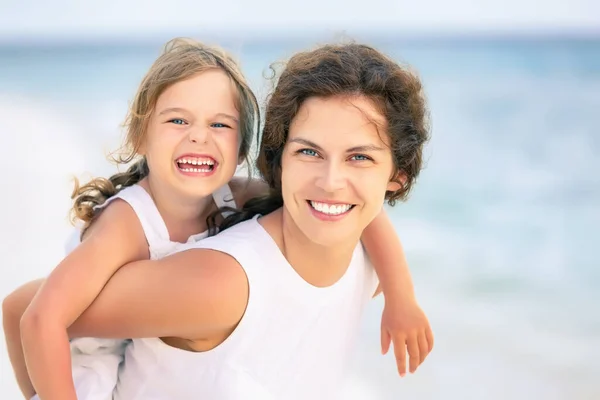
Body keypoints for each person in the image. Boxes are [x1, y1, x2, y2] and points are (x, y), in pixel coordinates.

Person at [2, 39, 431, 400]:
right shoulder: (130, 226)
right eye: (177, 120)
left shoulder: (243, 195)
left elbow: (346, 207)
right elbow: (29, 312)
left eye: (220, 124)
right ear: (139, 135)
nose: (198, 136)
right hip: (89, 360)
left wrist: (401, 297)